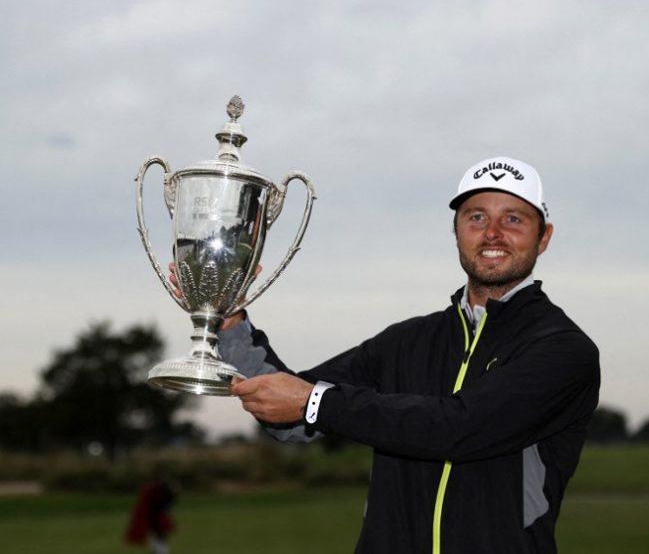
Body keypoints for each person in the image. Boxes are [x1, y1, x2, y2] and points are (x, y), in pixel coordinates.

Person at [178, 157, 600, 553]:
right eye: (476, 217)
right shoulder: (406, 341)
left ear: (543, 237)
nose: (492, 233)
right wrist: (229, 322)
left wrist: (314, 402)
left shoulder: (563, 350)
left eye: (513, 218)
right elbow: (294, 418)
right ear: (456, 230)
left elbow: (460, 428)